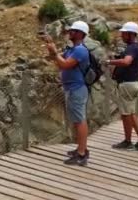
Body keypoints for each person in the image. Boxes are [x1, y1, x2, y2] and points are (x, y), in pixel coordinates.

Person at [45, 21, 91, 166]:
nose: (69, 33)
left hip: (77, 88)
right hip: (71, 88)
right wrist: (52, 49)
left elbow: (65, 64)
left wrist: (54, 52)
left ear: (80, 33)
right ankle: (80, 148)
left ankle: (82, 153)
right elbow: (59, 62)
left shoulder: (80, 50)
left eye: (73, 31)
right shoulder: (72, 49)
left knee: (79, 120)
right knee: (77, 120)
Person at [106, 22, 138, 151]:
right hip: (134, 83)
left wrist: (109, 61)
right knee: (131, 113)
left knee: (125, 114)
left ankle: (127, 141)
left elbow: (126, 62)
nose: (122, 35)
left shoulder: (131, 48)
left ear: (131, 34)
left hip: (126, 85)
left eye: (124, 33)